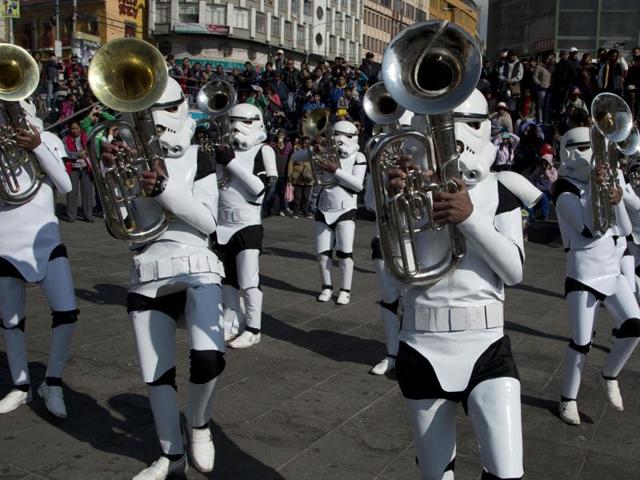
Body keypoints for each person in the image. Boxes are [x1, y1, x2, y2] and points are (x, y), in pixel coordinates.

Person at [388, 89, 532, 479]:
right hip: (421, 342)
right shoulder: (407, 189)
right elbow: (397, 270)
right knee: (436, 473)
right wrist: (395, 200)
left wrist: (470, 218)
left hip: (486, 344)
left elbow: (514, 271)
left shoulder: (500, 190)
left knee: (507, 472)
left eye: (467, 124)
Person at [101, 78, 226, 478]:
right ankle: (171, 455)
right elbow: (120, 227)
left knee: (209, 358)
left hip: (198, 262)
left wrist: (166, 189)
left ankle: (200, 424)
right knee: (157, 376)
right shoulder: (126, 159)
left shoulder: (198, 158)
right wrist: (111, 173)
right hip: (148, 268)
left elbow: (208, 222)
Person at [553, 127, 640, 426]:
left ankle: (610, 375)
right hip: (583, 273)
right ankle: (568, 399)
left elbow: (626, 230)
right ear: (570, 152)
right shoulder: (564, 191)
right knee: (581, 342)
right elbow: (588, 230)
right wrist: (595, 188)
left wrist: (616, 201)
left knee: (635, 325)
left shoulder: (598, 186)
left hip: (611, 270)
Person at [0, 99, 77, 418]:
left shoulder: (49, 140)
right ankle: (20, 386)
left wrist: (38, 146)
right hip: (5, 240)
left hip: (45, 242)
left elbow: (65, 184)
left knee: (67, 314)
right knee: (10, 322)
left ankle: (53, 382)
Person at [214, 103, 277, 349]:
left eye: (244, 122)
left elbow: (259, 189)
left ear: (257, 123)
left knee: (249, 279)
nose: (236, 128)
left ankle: (253, 328)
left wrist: (230, 162)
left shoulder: (264, 150)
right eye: (232, 121)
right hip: (222, 223)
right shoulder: (225, 150)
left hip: (248, 223)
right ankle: (232, 320)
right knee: (227, 279)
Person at [314, 120, 367, 305]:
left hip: (346, 208)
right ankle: (327, 287)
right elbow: (297, 158)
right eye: (335, 135)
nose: (340, 140)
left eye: (346, 136)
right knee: (322, 254)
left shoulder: (358, 157)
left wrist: (335, 170)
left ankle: (345, 289)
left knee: (345, 252)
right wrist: (311, 148)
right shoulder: (324, 153)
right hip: (323, 207)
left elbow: (358, 185)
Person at [63, 121, 94, 222]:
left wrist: (87, 152)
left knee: (88, 192)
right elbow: (66, 154)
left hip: (86, 168)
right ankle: (71, 216)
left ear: (80, 129)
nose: (74, 131)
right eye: (72, 129)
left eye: (76, 128)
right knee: (72, 193)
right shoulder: (65, 139)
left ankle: (88, 215)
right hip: (73, 168)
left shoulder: (87, 137)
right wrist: (77, 155)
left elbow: (93, 149)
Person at [287, 137, 314, 218]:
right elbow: (291, 163)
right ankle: (296, 212)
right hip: (297, 177)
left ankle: (305, 212)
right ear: (302, 143)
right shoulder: (296, 151)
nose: (307, 144)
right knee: (298, 196)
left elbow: (315, 164)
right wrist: (289, 174)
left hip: (308, 177)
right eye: (305, 143)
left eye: (308, 143)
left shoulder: (312, 152)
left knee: (306, 197)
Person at [528, 153, 558, 221]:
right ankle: (531, 215)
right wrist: (533, 185)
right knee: (531, 199)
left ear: (549, 163)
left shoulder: (553, 171)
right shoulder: (539, 169)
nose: (544, 165)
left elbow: (553, 180)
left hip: (548, 191)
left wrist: (547, 172)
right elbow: (532, 177)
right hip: (538, 190)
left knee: (543, 197)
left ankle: (545, 215)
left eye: (545, 163)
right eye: (543, 163)